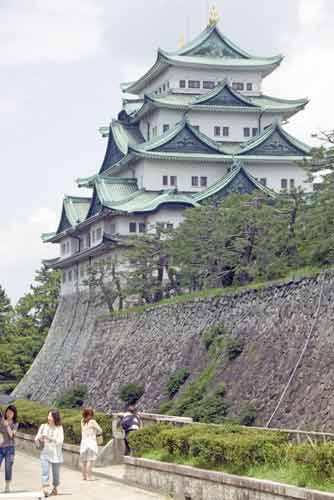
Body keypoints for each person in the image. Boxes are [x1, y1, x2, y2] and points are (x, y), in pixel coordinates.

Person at [35, 409, 64, 498]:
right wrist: (39, 439)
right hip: (45, 453)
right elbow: (36, 438)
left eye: (51, 416)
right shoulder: (43, 426)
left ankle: (55, 487)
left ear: (55, 417)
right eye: (48, 416)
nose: (49, 418)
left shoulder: (59, 428)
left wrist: (50, 438)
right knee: (45, 471)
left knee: (56, 474)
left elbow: (60, 441)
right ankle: (45, 488)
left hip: (56, 455)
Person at [79, 407, 102, 481]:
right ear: (91, 414)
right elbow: (100, 430)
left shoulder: (82, 421)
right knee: (90, 460)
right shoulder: (93, 421)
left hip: (83, 442)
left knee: (84, 460)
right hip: (91, 443)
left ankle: (84, 476)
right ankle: (89, 477)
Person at [0, 405, 19, 493]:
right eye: (8, 412)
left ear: (14, 414)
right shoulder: (1, 420)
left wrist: (7, 426)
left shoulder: (15, 423)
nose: (9, 414)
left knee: (8, 468)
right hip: (0, 448)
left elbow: (12, 436)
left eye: (11, 413)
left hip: (10, 449)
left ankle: (7, 486)